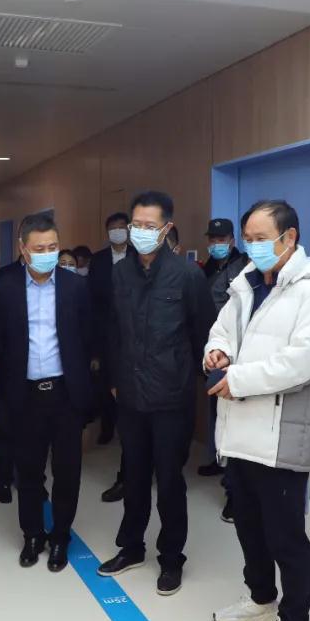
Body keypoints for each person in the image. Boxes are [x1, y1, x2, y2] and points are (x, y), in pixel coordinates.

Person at [206, 200, 310, 621]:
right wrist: (217, 352)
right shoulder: (245, 284)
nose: (252, 246)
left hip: (281, 433)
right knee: (248, 525)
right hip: (239, 429)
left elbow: (302, 362)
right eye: (248, 238)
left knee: (286, 536)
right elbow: (222, 330)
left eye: (261, 238)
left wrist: (238, 379)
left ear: (290, 238)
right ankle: (261, 599)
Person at [97, 191, 216, 595]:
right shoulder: (120, 274)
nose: (141, 232)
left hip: (171, 399)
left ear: (166, 229)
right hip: (130, 396)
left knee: (169, 481)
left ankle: (171, 558)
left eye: (150, 226)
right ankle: (131, 547)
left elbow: (204, 335)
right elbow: (112, 331)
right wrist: (114, 379)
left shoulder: (187, 276)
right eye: (136, 225)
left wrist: (191, 383)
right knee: (133, 476)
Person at [0, 214, 93, 571]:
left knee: (67, 471)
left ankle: (61, 535)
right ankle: (32, 534)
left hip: (65, 393)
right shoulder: (6, 285)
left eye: (53, 247)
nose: (47, 254)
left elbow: (88, 337)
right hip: (24, 393)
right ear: (23, 248)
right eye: (39, 248)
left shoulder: (75, 286)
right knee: (29, 470)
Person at [199, 217, 247, 483]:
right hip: (212, 349)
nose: (216, 244)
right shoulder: (205, 268)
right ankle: (217, 459)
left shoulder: (243, 267)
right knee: (215, 409)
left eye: (221, 239)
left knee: (234, 415)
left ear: (232, 240)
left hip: (236, 352)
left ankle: (232, 480)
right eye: (212, 239)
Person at [89, 212, 130, 482]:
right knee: (105, 381)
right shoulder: (99, 260)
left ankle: (128, 429)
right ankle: (106, 427)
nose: (117, 232)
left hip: (131, 331)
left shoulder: (138, 256)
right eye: (112, 228)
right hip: (105, 331)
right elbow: (92, 301)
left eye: (121, 228)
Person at [0, 254, 24, 504]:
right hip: (10, 365)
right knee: (8, 427)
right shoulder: (4, 276)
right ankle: (3, 479)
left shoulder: (54, 277)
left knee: (35, 430)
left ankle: (34, 480)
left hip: (42, 371)